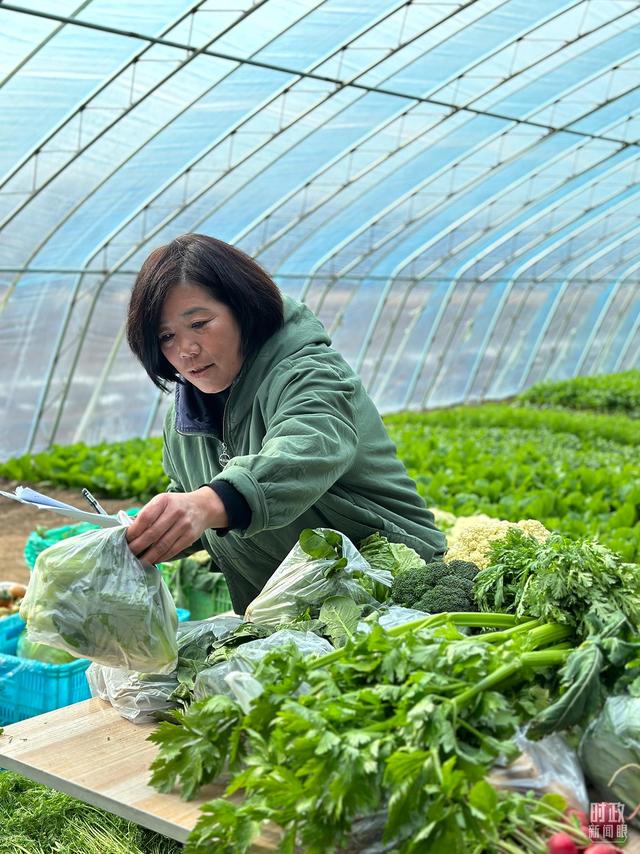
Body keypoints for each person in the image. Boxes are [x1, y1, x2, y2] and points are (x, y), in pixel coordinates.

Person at [125, 233, 446, 614]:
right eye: (166, 336)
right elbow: (192, 495)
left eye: (200, 323)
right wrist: (154, 530)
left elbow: (306, 448)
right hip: (295, 611)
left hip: (398, 595)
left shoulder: (310, 373)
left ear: (243, 309)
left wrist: (209, 502)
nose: (186, 350)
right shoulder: (183, 418)